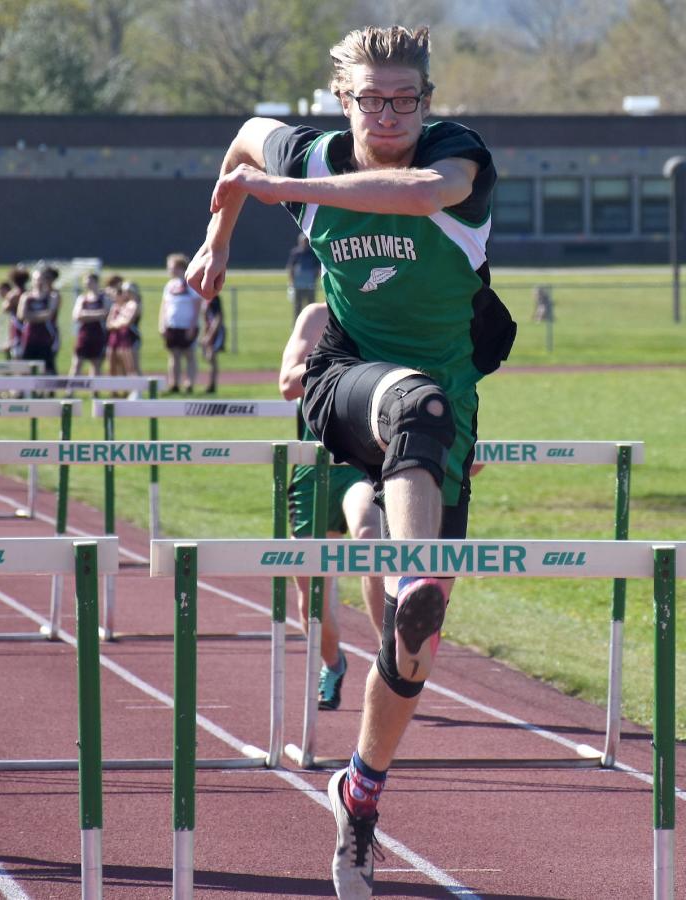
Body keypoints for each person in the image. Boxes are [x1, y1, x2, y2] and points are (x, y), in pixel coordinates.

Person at [184, 24, 516, 898]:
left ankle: (360, 789)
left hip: (443, 409)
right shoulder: (303, 145)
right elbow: (244, 137)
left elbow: (412, 195)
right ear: (343, 101)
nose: (391, 112)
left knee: (417, 651)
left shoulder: (458, 161)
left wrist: (276, 191)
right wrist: (218, 234)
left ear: (429, 101)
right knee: (414, 405)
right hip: (345, 379)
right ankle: (411, 578)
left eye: (407, 97)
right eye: (372, 98)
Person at [280, 302, 384, 711]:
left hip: (364, 461)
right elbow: (287, 384)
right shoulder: (315, 317)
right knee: (311, 595)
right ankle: (334, 663)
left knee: (370, 534)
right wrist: (337, 370)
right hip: (315, 465)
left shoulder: (389, 312)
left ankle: (390, 661)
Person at [158, 252, 201, 394]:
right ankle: (174, 384)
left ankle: (189, 383)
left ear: (180, 268)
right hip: (172, 325)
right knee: (173, 355)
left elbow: (197, 306)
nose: (169, 270)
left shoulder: (191, 284)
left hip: (187, 326)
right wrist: (162, 324)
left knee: (189, 355)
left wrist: (192, 326)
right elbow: (164, 306)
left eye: (172, 267)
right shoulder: (170, 285)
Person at [17, 265, 61, 374]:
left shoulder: (52, 296)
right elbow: (21, 315)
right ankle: (26, 390)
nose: (39, 282)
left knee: (48, 368)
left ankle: (48, 391)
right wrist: (38, 316)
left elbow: (48, 315)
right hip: (29, 337)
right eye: (36, 279)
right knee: (25, 367)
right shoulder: (26, 297)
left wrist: (31, 316)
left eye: (41, 279)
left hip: (46, 337)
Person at [69, 272, 110, 377]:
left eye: (90, 281)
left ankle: (95, 392)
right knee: (76, 363)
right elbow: (77, 316)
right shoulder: (82, 298)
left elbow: (105, 314)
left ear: (96, 282)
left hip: (98, 335)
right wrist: (96, 314)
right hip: (84, 335)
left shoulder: (103, 298)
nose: (87, 284)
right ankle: (70, 391)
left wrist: (86, 315)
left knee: (96, 365)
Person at [105, 281, 140, 389]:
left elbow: (127, 322)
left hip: (131, 337)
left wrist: (117, 323)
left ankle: (137, 390)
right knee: (124, 366)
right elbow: (110, 324)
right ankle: (128, 390)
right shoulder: (124, 305)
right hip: (122, 337)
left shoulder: (135, 304)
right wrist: (118, 323)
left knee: (132, 366)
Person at [285, 233, 319, 321]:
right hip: (298, 283)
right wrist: (291, 281)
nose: (305, 243)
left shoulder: (313, 253)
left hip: (310, 283)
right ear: (300, 241)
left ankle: (312, 322)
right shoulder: (295, 253)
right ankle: (296, 324)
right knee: (297, 306)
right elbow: (290, 268)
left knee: (311, 305)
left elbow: (317, 268)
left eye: (307, 241)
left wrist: (315, 278)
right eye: (303, 241)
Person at [199, 291, 226, 394]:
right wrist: (204, 335)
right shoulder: (205, 299)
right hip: (209, 331)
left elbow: (218, 318)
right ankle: (210, 384)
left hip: (216, 332)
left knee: (212, 357)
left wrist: (210, 336)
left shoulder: (214, 298)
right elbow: (205, 320)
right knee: (208, 357)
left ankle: (212, 385)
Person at [2, 265, 30, 360]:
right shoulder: (28, 293)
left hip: (17, 325)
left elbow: (5, 308)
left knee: (16, 352)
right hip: (27, 325)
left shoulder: (13, 295)